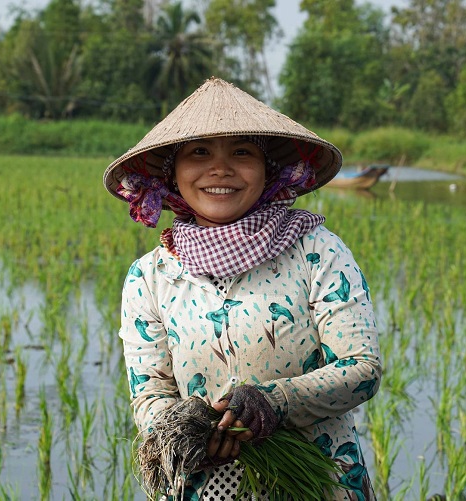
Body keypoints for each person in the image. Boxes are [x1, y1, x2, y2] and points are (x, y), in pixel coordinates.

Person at [103, 77, 382, 501]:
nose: (220, 169)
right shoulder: (150, 277)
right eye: (199, 152)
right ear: (172, 173)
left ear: (268, 168)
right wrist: (186, 424)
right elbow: (150, 395)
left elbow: (362, 368)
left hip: (321, 481)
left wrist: (276, 401)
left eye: (241, 152)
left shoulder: (316, 249)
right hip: (201, 486)